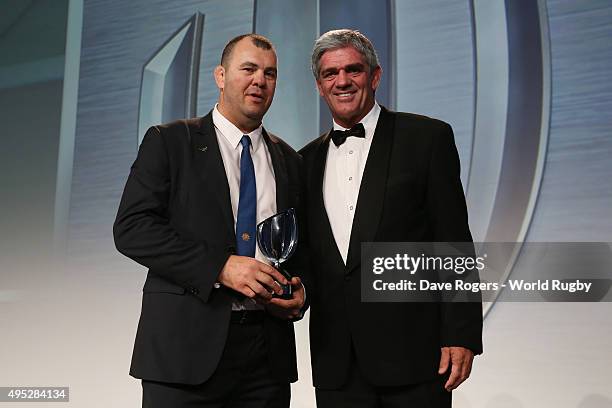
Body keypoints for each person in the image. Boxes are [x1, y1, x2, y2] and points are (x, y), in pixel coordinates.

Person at [113, 33, 306, 408]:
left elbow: (303, 248)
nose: (259, 81)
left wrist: (302, 291)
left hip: (267, 360)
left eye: (270, 73)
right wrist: (220, 267)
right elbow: (132, 228)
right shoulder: (170, 142)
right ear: (220, 75)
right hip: (183, 355)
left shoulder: (290, 160)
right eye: (248, 69)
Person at [299, 29, 483, 407]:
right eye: (330, 74)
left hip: (416, 357)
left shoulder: (427, 138)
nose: (343, 81)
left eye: (354, 70)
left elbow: (453, 241)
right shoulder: (302, 161)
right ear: (319, 85)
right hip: (337, 363)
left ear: (375, 76)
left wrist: (461, 333)